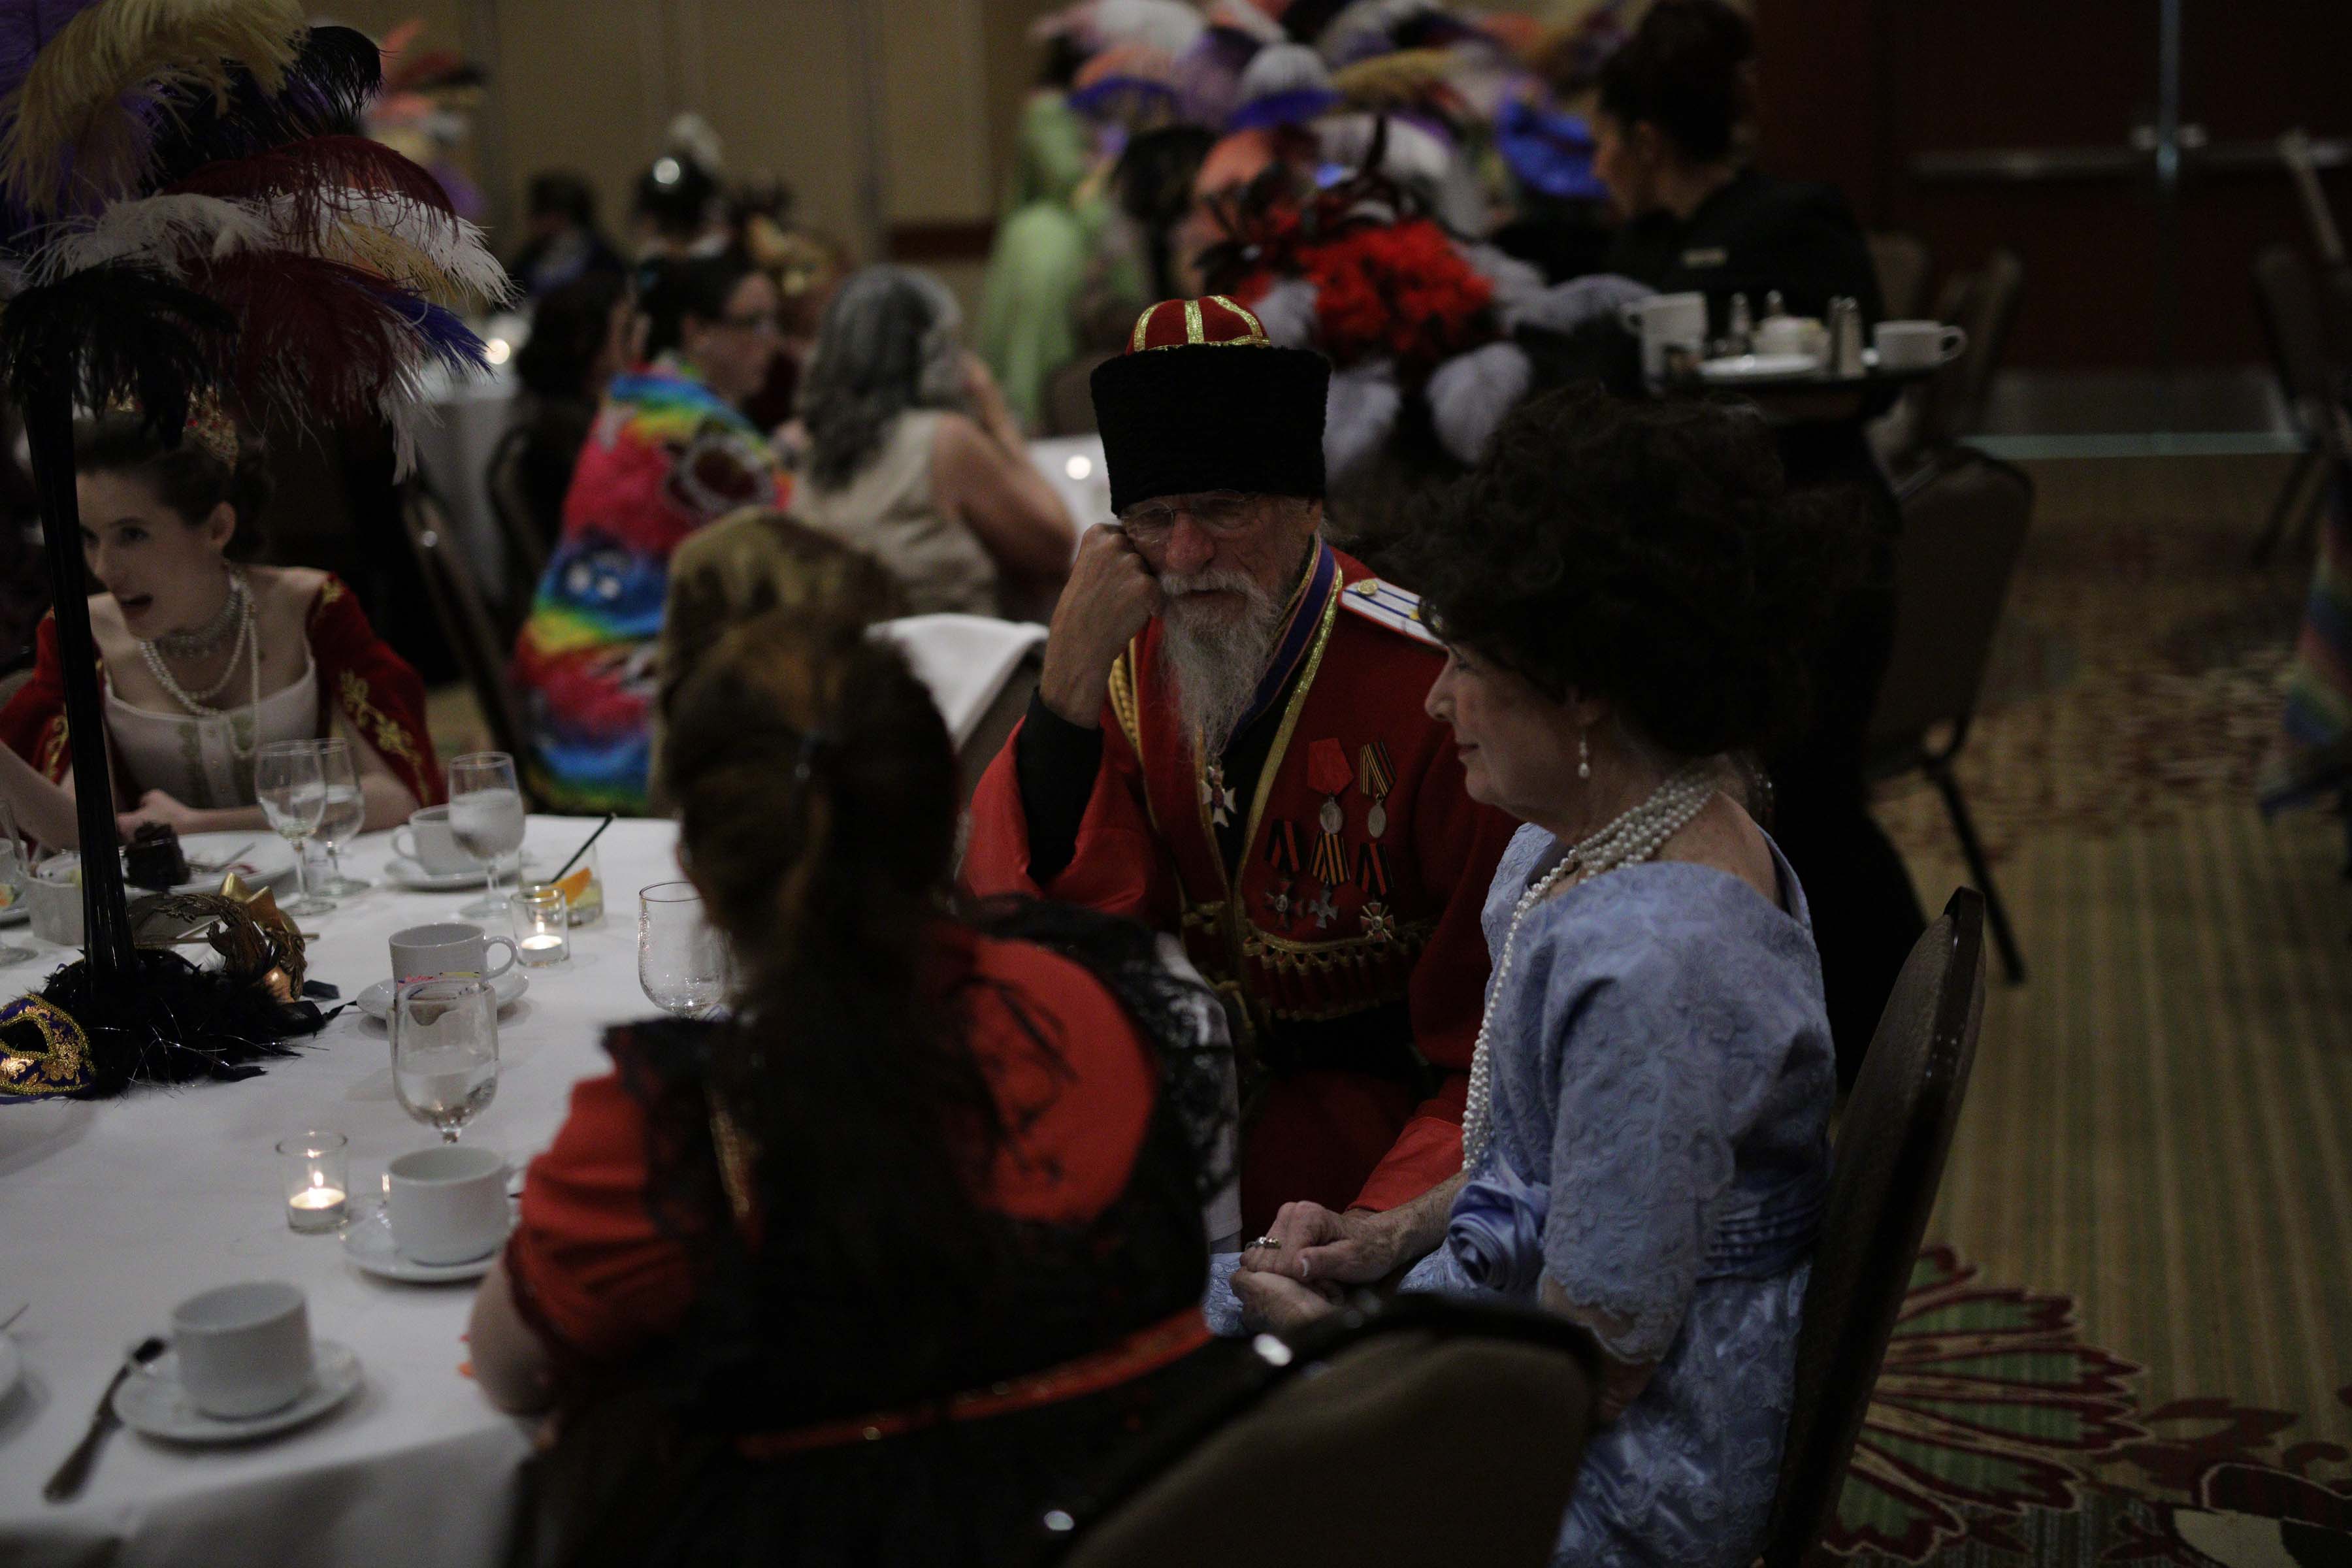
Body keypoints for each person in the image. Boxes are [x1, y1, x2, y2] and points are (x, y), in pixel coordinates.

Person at [469, 610, 1243, 1565]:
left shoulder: (681, 1127)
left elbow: (510, 1370)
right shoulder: (1091, 1003)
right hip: (1144, 1519)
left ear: (697, 879)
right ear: (945, 815)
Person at [1232, 386, 1842, 1566]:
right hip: (1526, 1364)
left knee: (1167, 1447)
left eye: (1462, 662)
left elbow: (1594, 1369)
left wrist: (1337, 1364)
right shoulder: (1639, 822)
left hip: (1612, 1483)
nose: (1432, 699)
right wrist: (1387, 1235)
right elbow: (1572, 1171)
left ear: (1583, 688)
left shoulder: (1659, 972)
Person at [962, 295, 1518, 1240]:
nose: (1185, 555)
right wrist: (1064, 679)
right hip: (1169, 1120)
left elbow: (1496, 1042)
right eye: (1153, 516)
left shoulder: (1430, 684)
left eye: (1223, 511)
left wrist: (1384, 1225)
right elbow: (1054, 935)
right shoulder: (1127, 660)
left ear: (1307, 504)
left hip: (1383, 1149)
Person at [1593, 0, 1924, 1082]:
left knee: (1810, 795)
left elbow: (1852, 378)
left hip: (1815, 546)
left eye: (1603, 143)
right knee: (1697, 786)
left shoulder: (1796, 221)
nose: (1596, 168)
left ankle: (1905, 1033)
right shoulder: (1631, 253)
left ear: (1644, 141)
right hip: (1695, 559)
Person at [0, 407, 439, 852]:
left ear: (217, 527)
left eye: (131, 535)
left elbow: (393, 796)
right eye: (89, 538)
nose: (104, 568)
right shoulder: (81, 632)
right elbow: (78, 835)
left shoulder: (310, 606)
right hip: (166, 910)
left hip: (312, 886)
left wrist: (200, 824)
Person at [510, 252, 789, 813]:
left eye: (775, 322)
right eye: (753, 322)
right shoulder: (687, 421)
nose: (773, 342)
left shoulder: (643, 394)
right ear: (699, 332)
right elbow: (806, 521)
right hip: (611, 714)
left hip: (563, 672)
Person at [792, 267, 1078, 618]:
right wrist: (997, 416)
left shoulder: (810, 444)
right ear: (934, 349)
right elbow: (1055, 546)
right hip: (956, 664)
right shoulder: (943, 440)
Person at [508, 270, 634, 548]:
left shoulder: (567, 414)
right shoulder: (566, 434)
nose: (635, 345)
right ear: (584, 342)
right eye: (625, 332)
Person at [507, 170, 627, 300]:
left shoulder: (606, 263)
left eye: (541, 215)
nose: (532, 222)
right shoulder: (527, 261)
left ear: (562, 217)